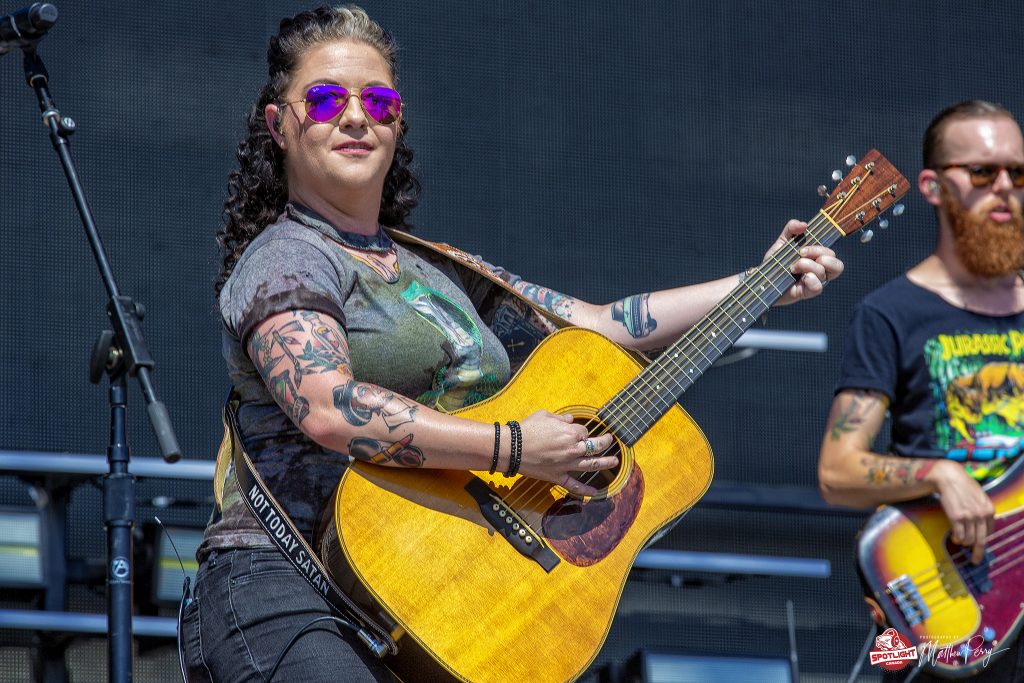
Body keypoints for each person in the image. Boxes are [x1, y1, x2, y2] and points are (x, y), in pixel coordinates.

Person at [180, 5, 844, 682]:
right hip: (287, 586)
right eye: (325, 99)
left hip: (428, 594)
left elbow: (598, 324)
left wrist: (762, 282)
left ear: (398, 123)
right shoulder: (287, 257)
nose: (356, 116)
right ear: (278, 125)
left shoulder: (434, 269)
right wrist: (517, 447)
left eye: (379, 101)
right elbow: (326, 405)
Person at [818, 100, 1024, 682]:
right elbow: (838, 472)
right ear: (933, 186)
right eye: (983, 172)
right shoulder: (891, 313)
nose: (1005, 187)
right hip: (947, 587)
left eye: (1019, 172)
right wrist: (939, 474)